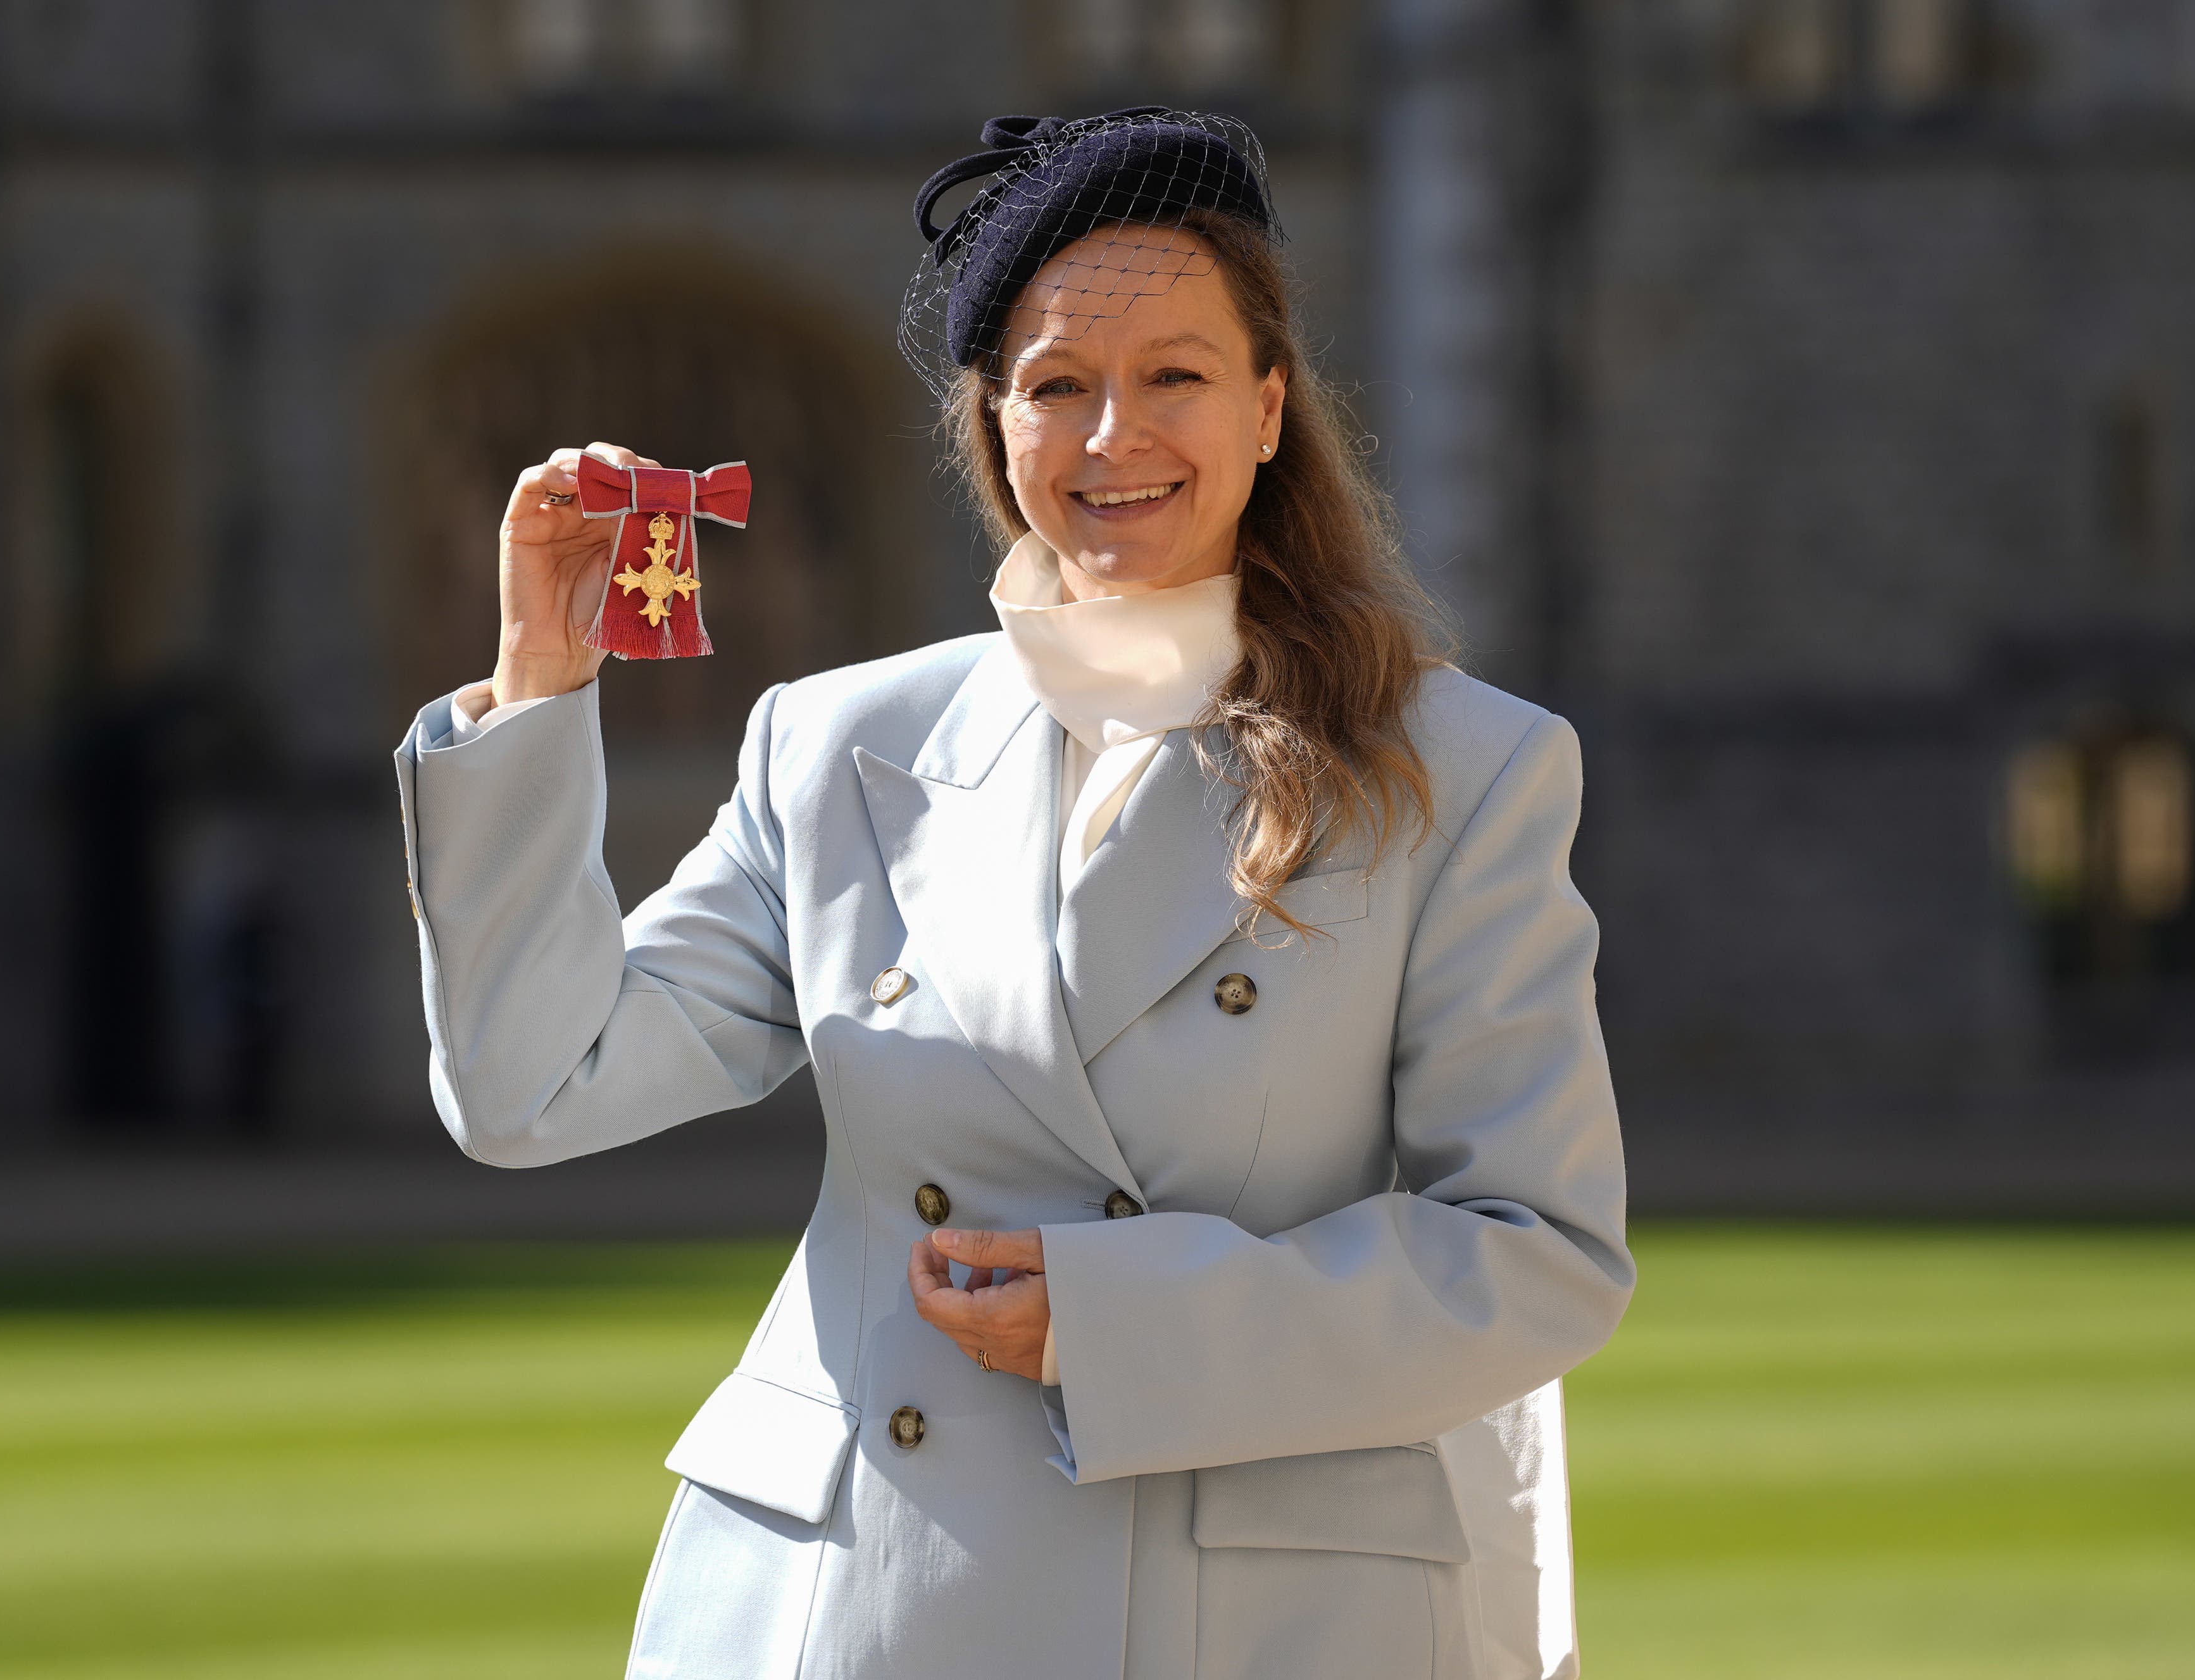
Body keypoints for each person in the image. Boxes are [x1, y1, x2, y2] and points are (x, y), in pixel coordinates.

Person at [395, 108, 1633, 1680]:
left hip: (1249, 1617)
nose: (1112, 437)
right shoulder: (838, 742)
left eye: (1173, 376)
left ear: (1267, 410)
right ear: (993, 431)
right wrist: (533, 685)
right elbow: (528, 1089)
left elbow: (1536, 1251)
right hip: (854, 1607)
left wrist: (1120, 1328)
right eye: (1056, 388)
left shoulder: (1463, 766)